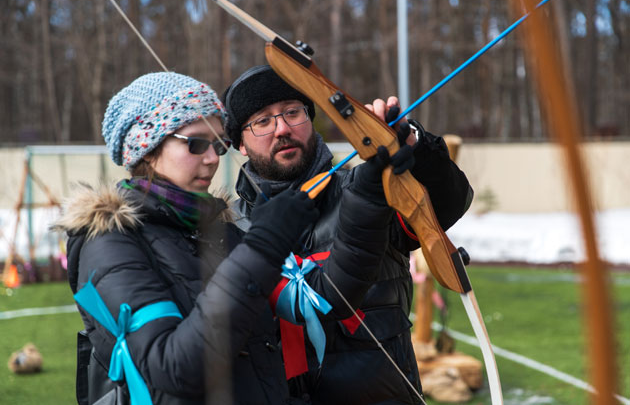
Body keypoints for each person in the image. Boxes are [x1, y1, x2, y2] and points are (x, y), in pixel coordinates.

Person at [55, 72, 403, 405]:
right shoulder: (109, 242)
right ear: (147, 149)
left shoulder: (218, 232)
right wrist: (263, 246)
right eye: (196, 144)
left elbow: (322, 298)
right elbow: (174, 367)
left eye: (217, 145)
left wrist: (369, 193)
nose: (210, 159)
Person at [222, 65, 474, 405]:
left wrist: (413, 146)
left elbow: (448, 202)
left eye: (292, 112)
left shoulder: (368, 186)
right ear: (240, 142)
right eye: (263, 121)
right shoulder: (229, 226)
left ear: (310, 119)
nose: (282, 128)